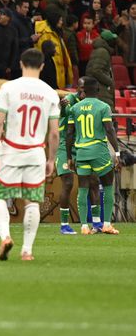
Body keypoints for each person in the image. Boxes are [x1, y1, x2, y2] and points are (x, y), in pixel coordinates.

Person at [0, 48, 60, 262]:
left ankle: (6, 236)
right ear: (42, 66)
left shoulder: (8, 88)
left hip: (11, 150)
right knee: (32, 202)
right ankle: (27, 250)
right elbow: (55, 132)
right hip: (35, 152)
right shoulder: (50, 93)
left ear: (20, 64)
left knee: (0, 197)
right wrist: (51, 159)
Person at [67, 78, 120, 235]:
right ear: (98, 90)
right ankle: (107, 224)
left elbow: (70, 133)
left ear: (84, 91)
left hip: (81, 152)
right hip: (99, 151)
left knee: (83, 188)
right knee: (108, 185)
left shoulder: (74, 108)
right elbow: (109, 130)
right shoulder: (103, 107)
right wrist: (116, 152)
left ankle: (84, 226)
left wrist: (69, 156)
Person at [57, 78, 85, 235]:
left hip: (82, 146)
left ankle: (95, 222)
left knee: (92, 182)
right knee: (67, 183)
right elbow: (65, 110)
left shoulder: (91, 102)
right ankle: (64, 225)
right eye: (80, 88)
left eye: (84, 89)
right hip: (64, 146)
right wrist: (62, 107)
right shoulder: (70, 99)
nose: (82, 92)